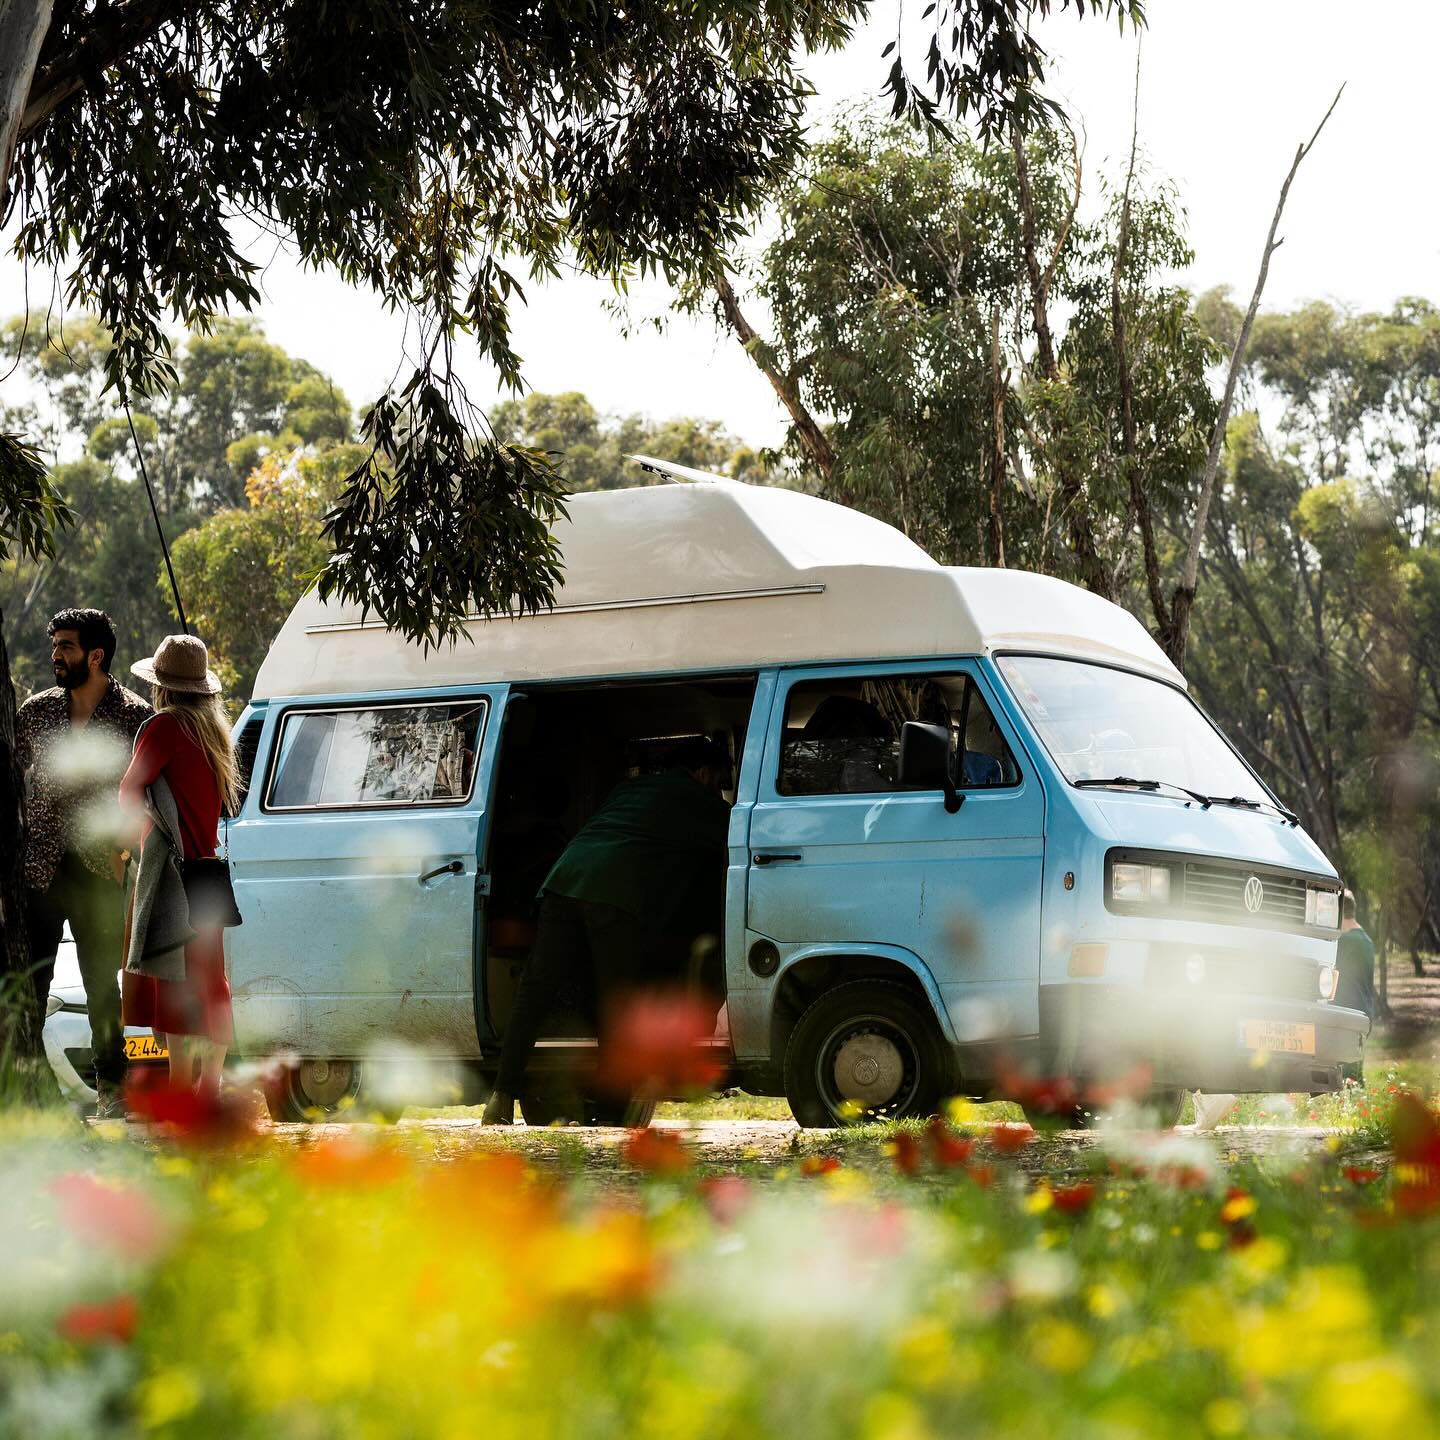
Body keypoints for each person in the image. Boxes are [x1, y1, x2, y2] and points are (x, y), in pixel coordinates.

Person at [483, 736, 732, 1124]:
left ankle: (500, 1097)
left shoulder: (628, 788)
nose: (718, 789)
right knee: (616, 1003)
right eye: (718, 780)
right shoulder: (698, 799)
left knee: (535, 991)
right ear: (703, 773)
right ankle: (613, 1109)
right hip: (614, 897)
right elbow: (738, 842)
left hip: (563, 883)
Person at [19, 608, 152, 1116]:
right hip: (42, 868)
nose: (56, 655)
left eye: (67, 646)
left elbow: (146, 795)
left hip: (102, 870)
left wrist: (124, 848)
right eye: (54, 645)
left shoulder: (134, 717)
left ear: (96, 656)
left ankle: (112, 1096)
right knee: (32, 981)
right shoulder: (35, 712)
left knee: (102, 985)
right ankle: (25, 1088)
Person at [119, 635, 238, 1099]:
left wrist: (144, 836)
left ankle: (181, 1091)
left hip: (173, 878)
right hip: (208, 874)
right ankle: (210, 1085)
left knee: (174, 986)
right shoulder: (214, 733)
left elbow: (129, 791)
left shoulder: (163, 727)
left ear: (162, 686)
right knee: (212, 984)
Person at [1335, 888, 1376, 1083]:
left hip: (1350, 1013)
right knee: (1355, 1075)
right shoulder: (1367, 941)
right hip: (1364, 1012)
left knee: (1349, 1077)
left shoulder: (1345, 943)